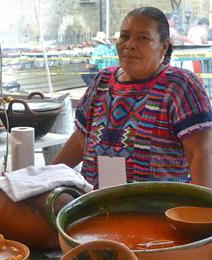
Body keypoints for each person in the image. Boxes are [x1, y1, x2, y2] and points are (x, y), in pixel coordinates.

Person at [53, 7, 212, 189]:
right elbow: (82, 139)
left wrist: (203, 211)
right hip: (95, 207)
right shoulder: (102, 82)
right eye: (125, 36)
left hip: (160, 211)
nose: (130, 44)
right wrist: (47, 176)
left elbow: (201, 153)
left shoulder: (179, 85)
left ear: (164, 46)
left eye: (143, 38)